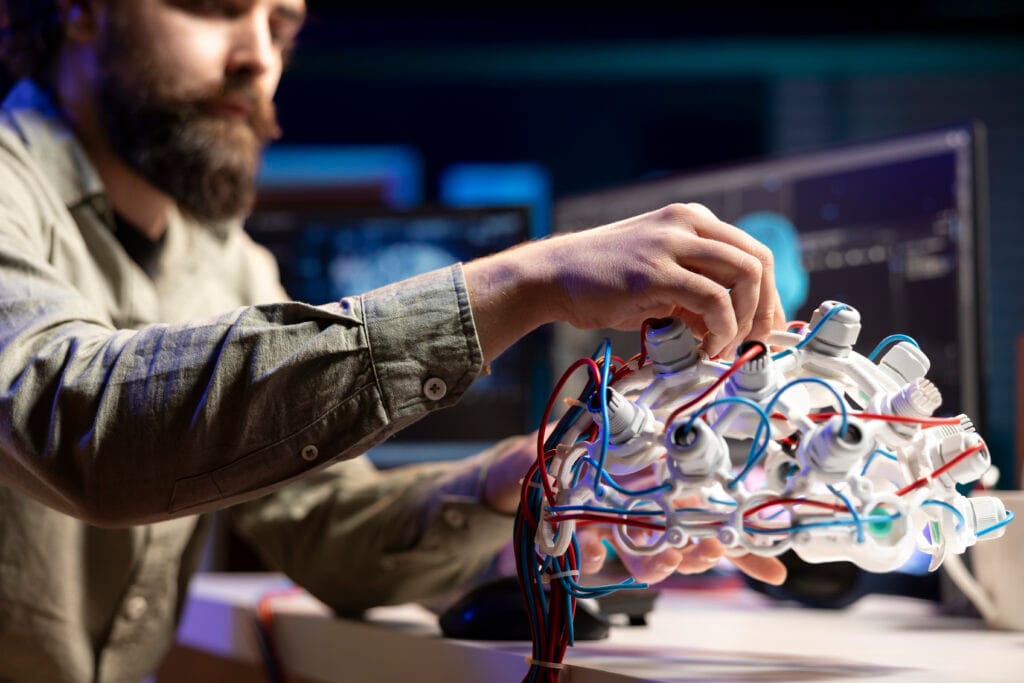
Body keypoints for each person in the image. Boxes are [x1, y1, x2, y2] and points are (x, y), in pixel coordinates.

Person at [0, 1, 787, 681]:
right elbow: (70, 419)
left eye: (280, 24)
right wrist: (526, 282)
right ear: (81, 8)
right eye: (214, 7)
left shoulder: (229, 263)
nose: (259, 57)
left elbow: (317, 517)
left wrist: (514, 478)